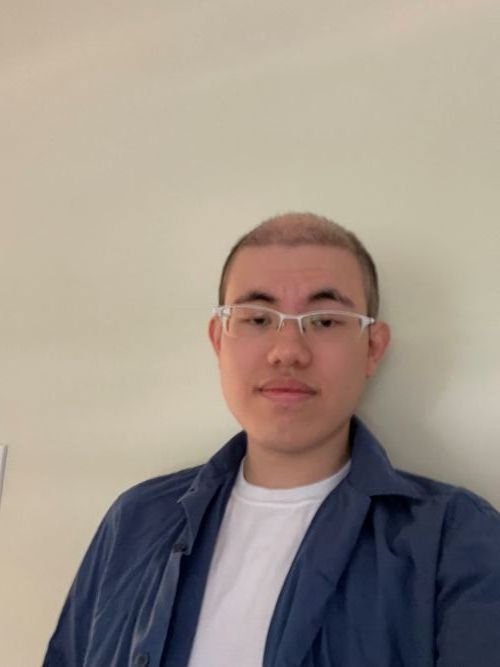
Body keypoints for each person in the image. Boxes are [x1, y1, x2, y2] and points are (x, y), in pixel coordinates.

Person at [43, 212, 500, 667]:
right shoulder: (134, 521)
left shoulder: (456, 539)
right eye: (258, 319)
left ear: (373, 348)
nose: (288, 352)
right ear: (219, 340)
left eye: (325, 321)